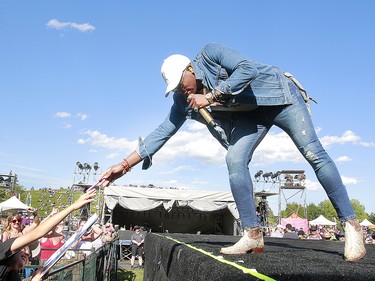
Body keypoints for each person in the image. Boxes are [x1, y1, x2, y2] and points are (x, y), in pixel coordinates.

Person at [99, 42, 366, 262]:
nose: (182, 90)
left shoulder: (210, 53)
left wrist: (212, 96)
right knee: (234, 159)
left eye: (182, 83)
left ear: (190, 68)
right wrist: (123, 166)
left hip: (281, 97)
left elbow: (246, 68)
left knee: (313, 153)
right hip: (253, 115)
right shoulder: (182, 100)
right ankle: (252, 233)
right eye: (177, 89)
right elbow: (162, 131)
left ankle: (351, 226)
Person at [0, 189, 96, 281]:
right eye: (23, 248)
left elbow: (37, 225)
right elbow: (39, 231)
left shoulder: (13, 275)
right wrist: (72, 207)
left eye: (28, 252)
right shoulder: (3, 250)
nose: (27, 253)